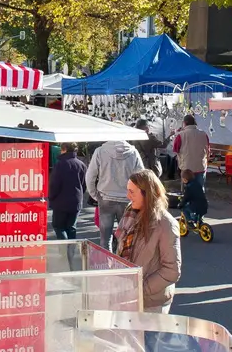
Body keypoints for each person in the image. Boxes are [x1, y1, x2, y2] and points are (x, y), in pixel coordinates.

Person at [115, 169, 182, 312]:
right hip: (128, 296)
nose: (128, 196)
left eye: (132, 192)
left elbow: (172, 271)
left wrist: (140, 289)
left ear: (147, 193)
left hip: (152, 303)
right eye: (128, 191)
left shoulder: (166, 224)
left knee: (149, 336)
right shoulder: (131, 213)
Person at [86, 137, 145, 250]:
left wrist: (94, 195)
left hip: (105, 197)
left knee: (105, 239)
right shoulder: (133, 152)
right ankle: (125, 263)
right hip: (127, 198)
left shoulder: (100, 151)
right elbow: (142, 176)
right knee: (126, 237)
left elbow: (90, 176)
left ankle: (108, 266)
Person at [48, 145, 88, 240]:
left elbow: (54, 184)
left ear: (64, 150)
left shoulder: (60, 164)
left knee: (59, 226)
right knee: (72, 228)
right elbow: (84, 184)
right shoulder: (81, 165)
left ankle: (64, 251)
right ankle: (71, 252)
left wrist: (51, 197)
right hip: (76, 201)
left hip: (60, 202)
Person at [174, 115, 210, 183]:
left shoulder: (180, 135)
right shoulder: (204, 134)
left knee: (188, 189)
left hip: (186, 168)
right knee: (200, 189)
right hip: (201, 166)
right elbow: (208, 150)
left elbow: (176, 150)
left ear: (184, 123)